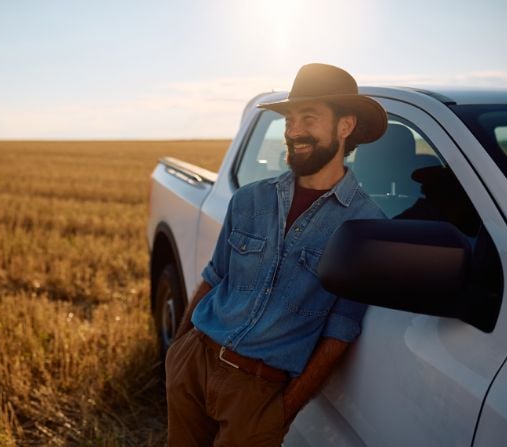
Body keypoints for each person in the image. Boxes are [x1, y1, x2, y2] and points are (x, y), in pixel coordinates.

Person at [165, 63, 388, 446]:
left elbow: (341, 331)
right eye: (289, 120)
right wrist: (177, 357)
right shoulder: (250, 199)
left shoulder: (365, 226)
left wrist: (282, 412)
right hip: (193, 365)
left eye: (309, 117)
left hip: (259, 394)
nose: (293, 131)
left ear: (345, 126)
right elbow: (214, 277)